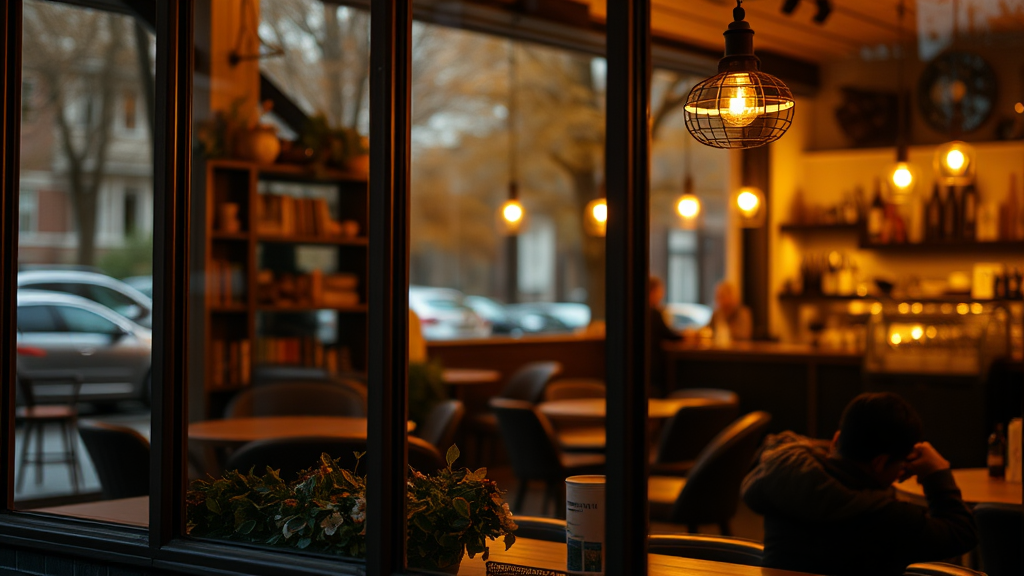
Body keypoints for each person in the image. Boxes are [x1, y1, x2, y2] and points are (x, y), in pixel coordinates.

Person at [741, 392, 977, 576]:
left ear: (835, 440)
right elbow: (961, 532)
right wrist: (936, 473)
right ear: (880, 462)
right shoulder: (888, 518)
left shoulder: (787, 480)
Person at [648, 276, 680, 398]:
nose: (662, 295)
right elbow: (669, 335)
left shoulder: (637, 310)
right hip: (653, 366)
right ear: (653, 292)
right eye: (660, 292)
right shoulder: (653, 313)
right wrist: (686, 337)